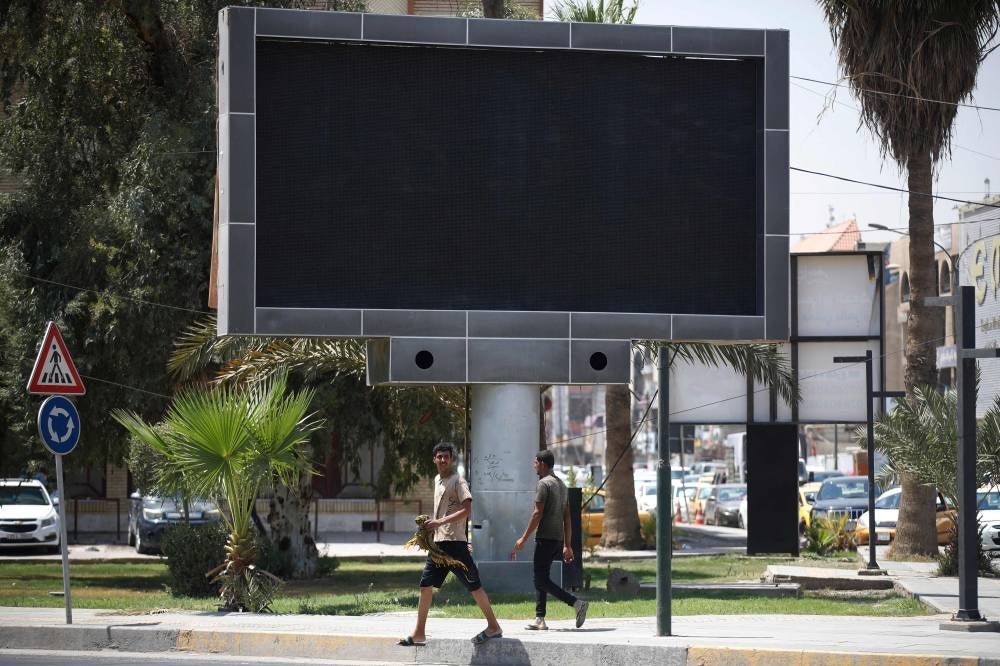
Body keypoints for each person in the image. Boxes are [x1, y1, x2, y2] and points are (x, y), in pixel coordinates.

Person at [399, 442, 502, 647]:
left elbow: (467, 510)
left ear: (451, 459)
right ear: (434, 459)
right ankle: (419, 632)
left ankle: (494, 626)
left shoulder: (458, 481)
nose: (443, 460)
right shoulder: (437, 480)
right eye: (439, 457)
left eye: (446, 457)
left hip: (455, 546)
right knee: (425, 586)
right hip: (438, 546)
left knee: (474, 586)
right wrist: (432, 526)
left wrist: (443, 525)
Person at [512, 449, 588, 631]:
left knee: (540, 580)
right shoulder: (561, 485)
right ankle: (540, 619)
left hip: (545, 538)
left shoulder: (543, 484)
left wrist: (523, 537)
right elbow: (567, 517)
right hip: (557, 539)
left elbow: (537, 513)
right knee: (541, 578)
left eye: (535, 463)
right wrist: (567, 545)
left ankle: (576, 603)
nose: (534, 466)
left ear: (542, 463)